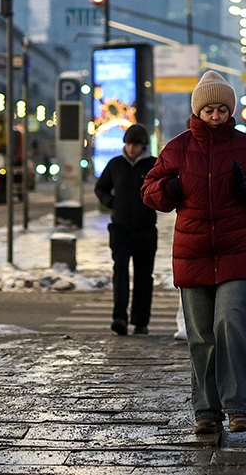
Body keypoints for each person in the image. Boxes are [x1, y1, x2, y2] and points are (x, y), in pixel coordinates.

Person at [141, 71, 246, 436]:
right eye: (209, 110)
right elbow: (149, 189)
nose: (216, 116)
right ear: (198, 110)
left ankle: (238, 407)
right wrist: (170, 188)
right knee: (201, 335)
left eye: (223, 109)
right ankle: (206, 409)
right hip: (193, 254)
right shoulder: (178, 148)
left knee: (229, 323)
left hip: (237, 250)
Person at [94, 123, 157, 336]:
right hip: (120, 227)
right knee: (120, 271)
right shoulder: (116, 164)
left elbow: (165, 187)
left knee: (143, 276)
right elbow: (100, 187)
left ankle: (141, 321)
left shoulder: (153, 165)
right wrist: (111, 202)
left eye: (136, 144)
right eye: (129, 144)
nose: (132, 148)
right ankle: (119, 317)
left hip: (146, 228)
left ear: (143, 146)